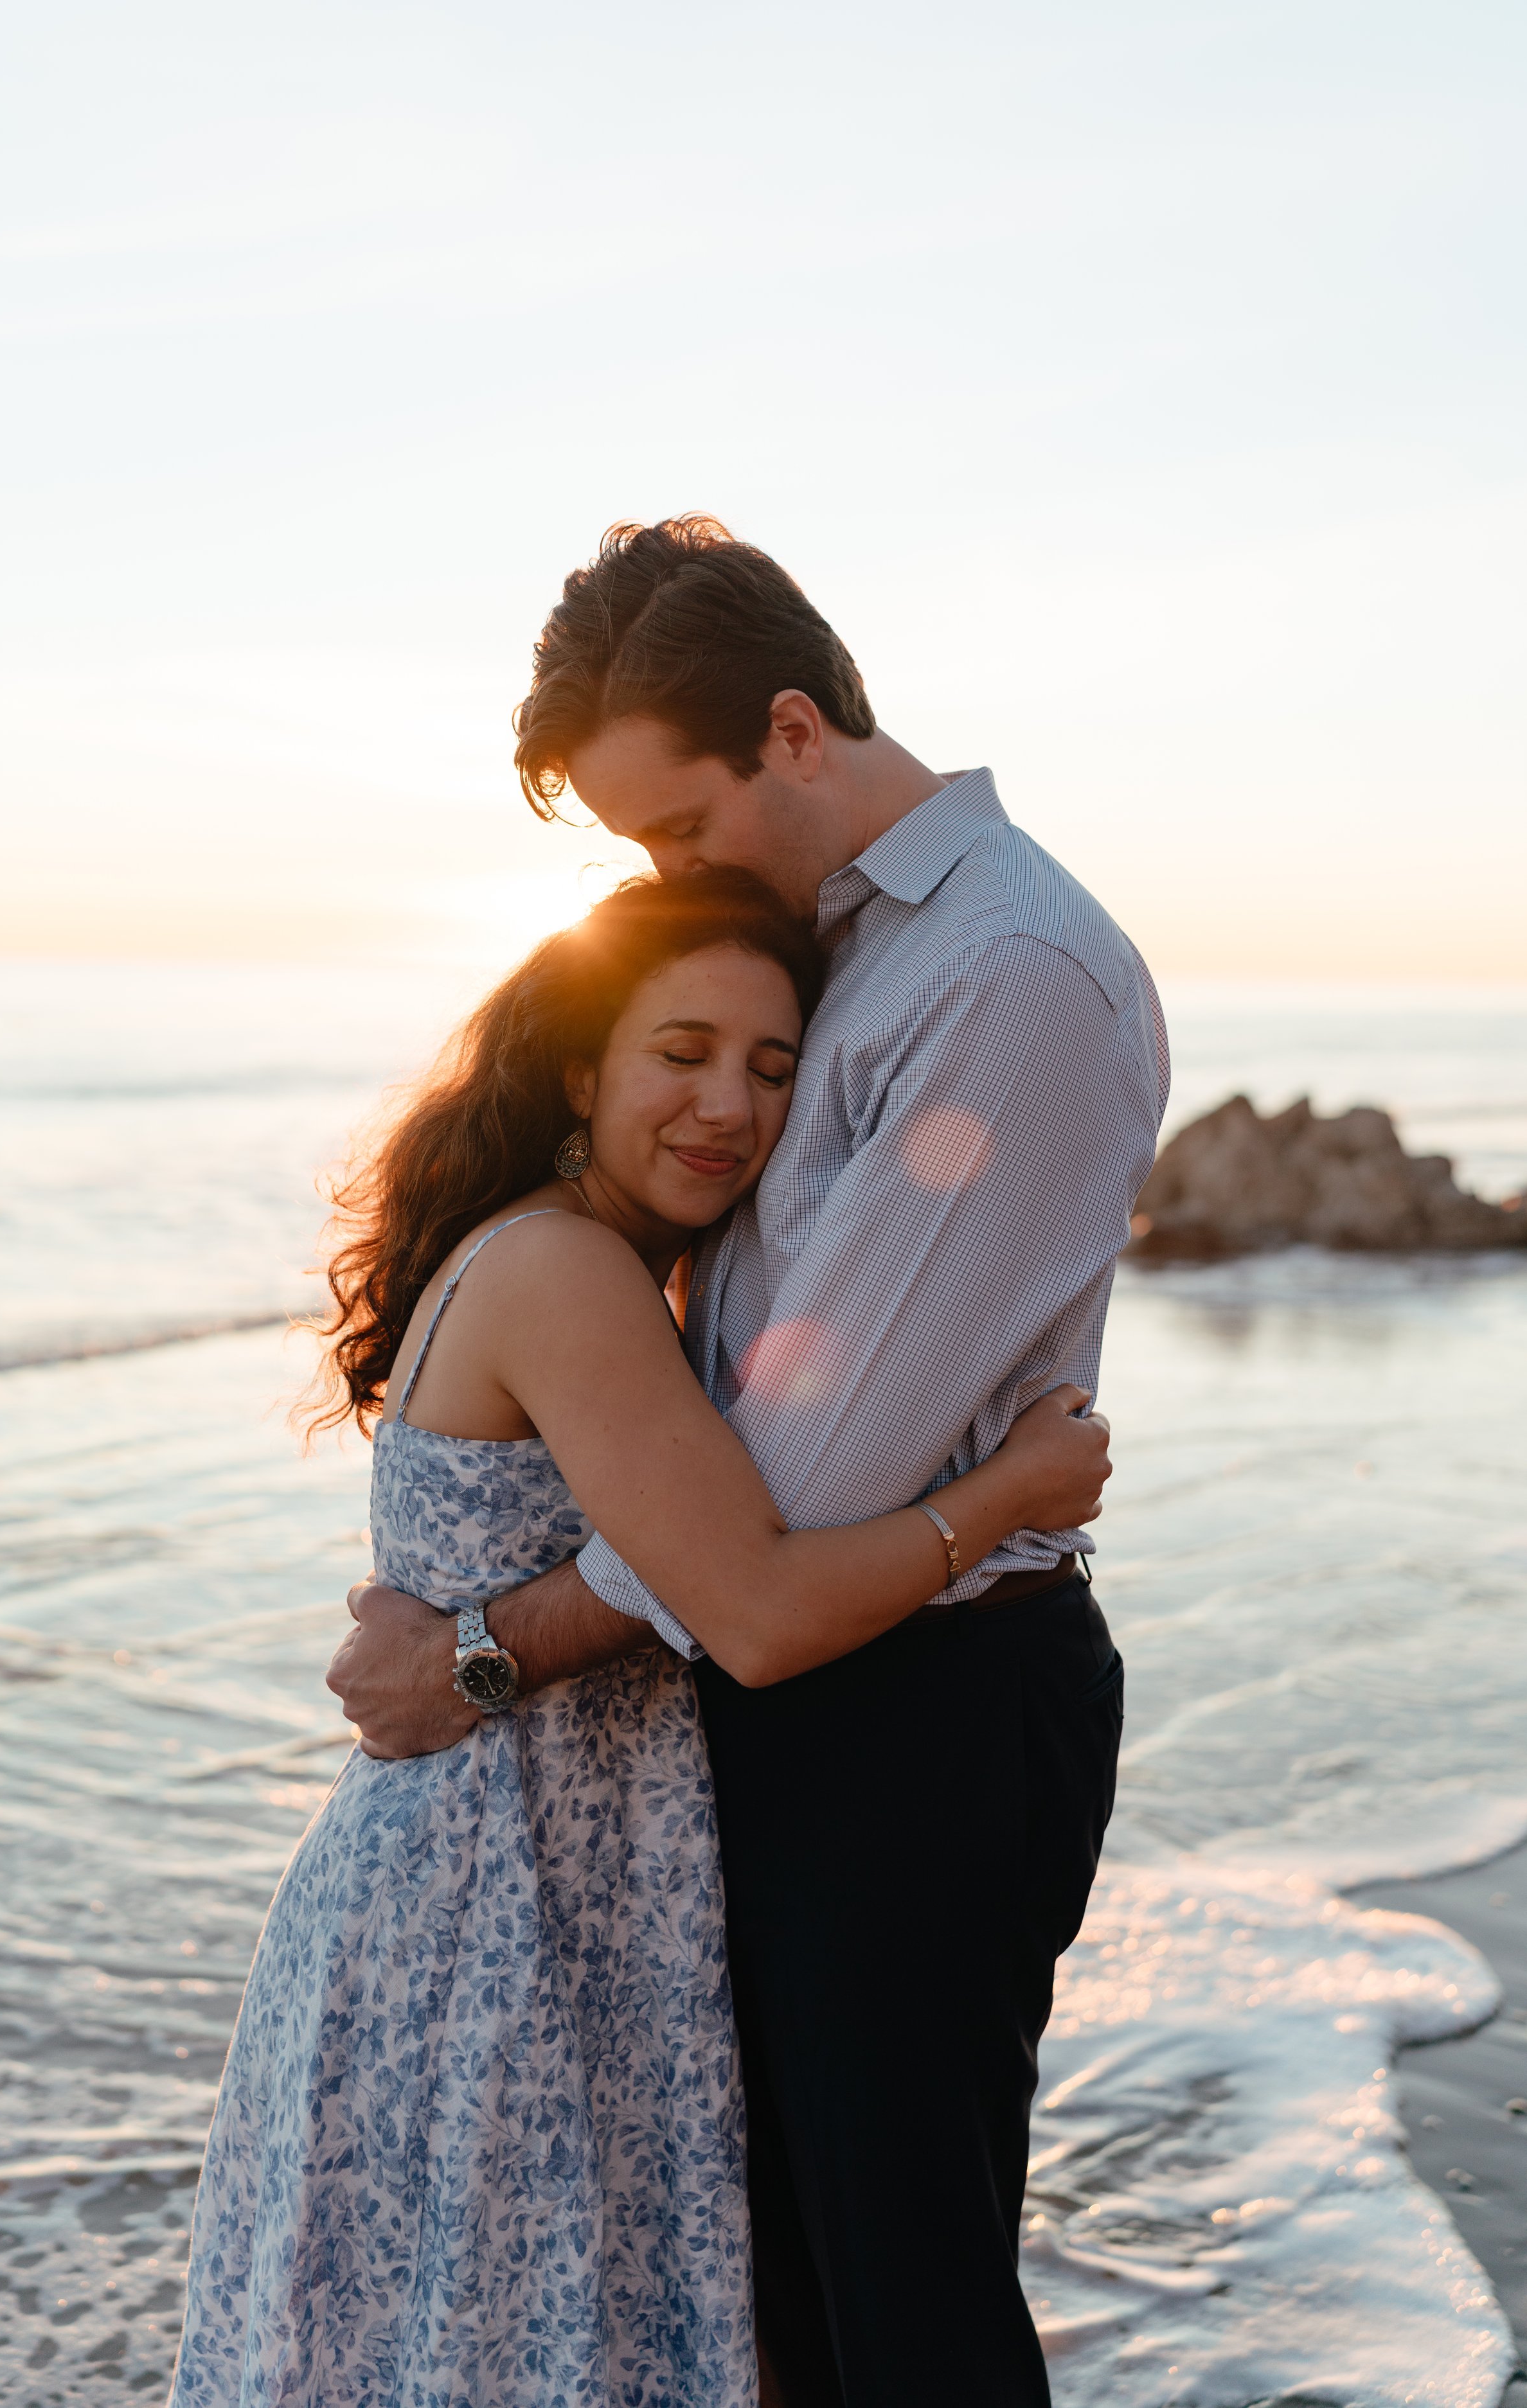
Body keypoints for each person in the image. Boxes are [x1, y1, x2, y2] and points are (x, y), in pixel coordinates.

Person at [334, 518, 1170, 2407]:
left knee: (896, 2303)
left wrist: (488, 1647)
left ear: (793, 729)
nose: (663, 874)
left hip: (916, 1706)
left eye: (676, 827)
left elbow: (774, 1510)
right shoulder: (828, 966)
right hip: (784, 1697)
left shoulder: (1004, 974)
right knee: (767, 2295)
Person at [170, 868, 1112, 2408]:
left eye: (770, 1065)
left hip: (540, 1877)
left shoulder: (591, 1261)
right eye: (680, 1050)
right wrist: (1003, 1491)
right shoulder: (564, 1269)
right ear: (577, 1070)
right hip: (497, 1899)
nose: (726, 1105)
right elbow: (754, 1610)